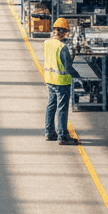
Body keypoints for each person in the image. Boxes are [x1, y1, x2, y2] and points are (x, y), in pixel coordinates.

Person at [42, 18, 79, 146]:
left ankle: (49, 132)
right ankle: (63, 136)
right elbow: (67, 66)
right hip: (61, 81)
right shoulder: (62, 47)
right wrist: (78, 75)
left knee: (51, 105)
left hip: (50, 79)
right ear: (63, 33)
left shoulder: (47, 43)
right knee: (62, 108)